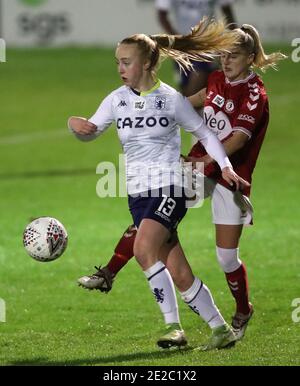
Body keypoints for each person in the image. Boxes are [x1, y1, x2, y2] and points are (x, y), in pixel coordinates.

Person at [78, 24, 287, 342]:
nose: (226, 61)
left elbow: (238, 139)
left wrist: (204, 160)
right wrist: (158, 108)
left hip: (229, 177)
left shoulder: (255, 93)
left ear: (250, 57)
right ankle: (109, 272)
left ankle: (242, 310)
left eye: (234, 56)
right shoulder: (216, 80)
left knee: (225, 257)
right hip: (195, 170)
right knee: (152, 220)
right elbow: (194, 101)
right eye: (223, 54)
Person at [155, 0, 237, 96]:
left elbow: (226, 10)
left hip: (206, 44)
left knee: (194, 89)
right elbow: (162, 14)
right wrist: (178, 39)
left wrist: (236, 36)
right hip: (182, 46)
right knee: (186, 90)